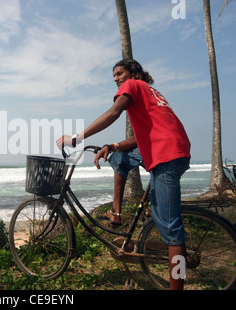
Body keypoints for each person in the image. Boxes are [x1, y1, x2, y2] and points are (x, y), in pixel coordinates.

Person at [56, 59, 191, 290]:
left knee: (171, 230)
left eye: (120, 73)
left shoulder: (132, 86)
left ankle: (176, 286)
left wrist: (77, 138)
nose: (117, 79)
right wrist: (114, 146)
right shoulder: (151, 92)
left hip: (166, 155)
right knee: (119, 160)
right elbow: (142, 138)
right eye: (114, 76)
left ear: (134, 72)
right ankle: (116, 212)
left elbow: (112, 113)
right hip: (173, 149)